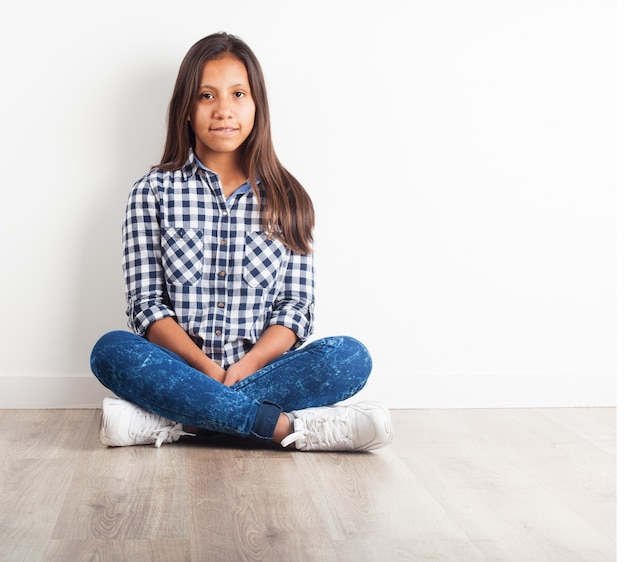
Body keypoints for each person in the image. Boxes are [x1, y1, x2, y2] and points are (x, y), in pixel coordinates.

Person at [90, 32, 393, 452]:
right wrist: (205, 371)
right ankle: (287, 429)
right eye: (207, 96)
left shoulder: (288, 198)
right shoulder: (152, 191)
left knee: (349, 357)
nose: (224, 110)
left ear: (257, 106)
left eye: (238, 94)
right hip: (180, 370)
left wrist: (245, 368)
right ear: (186, 109)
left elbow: (295, 311)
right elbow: (146, 307)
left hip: (262, 370)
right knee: (111, 350)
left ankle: (176, 422)